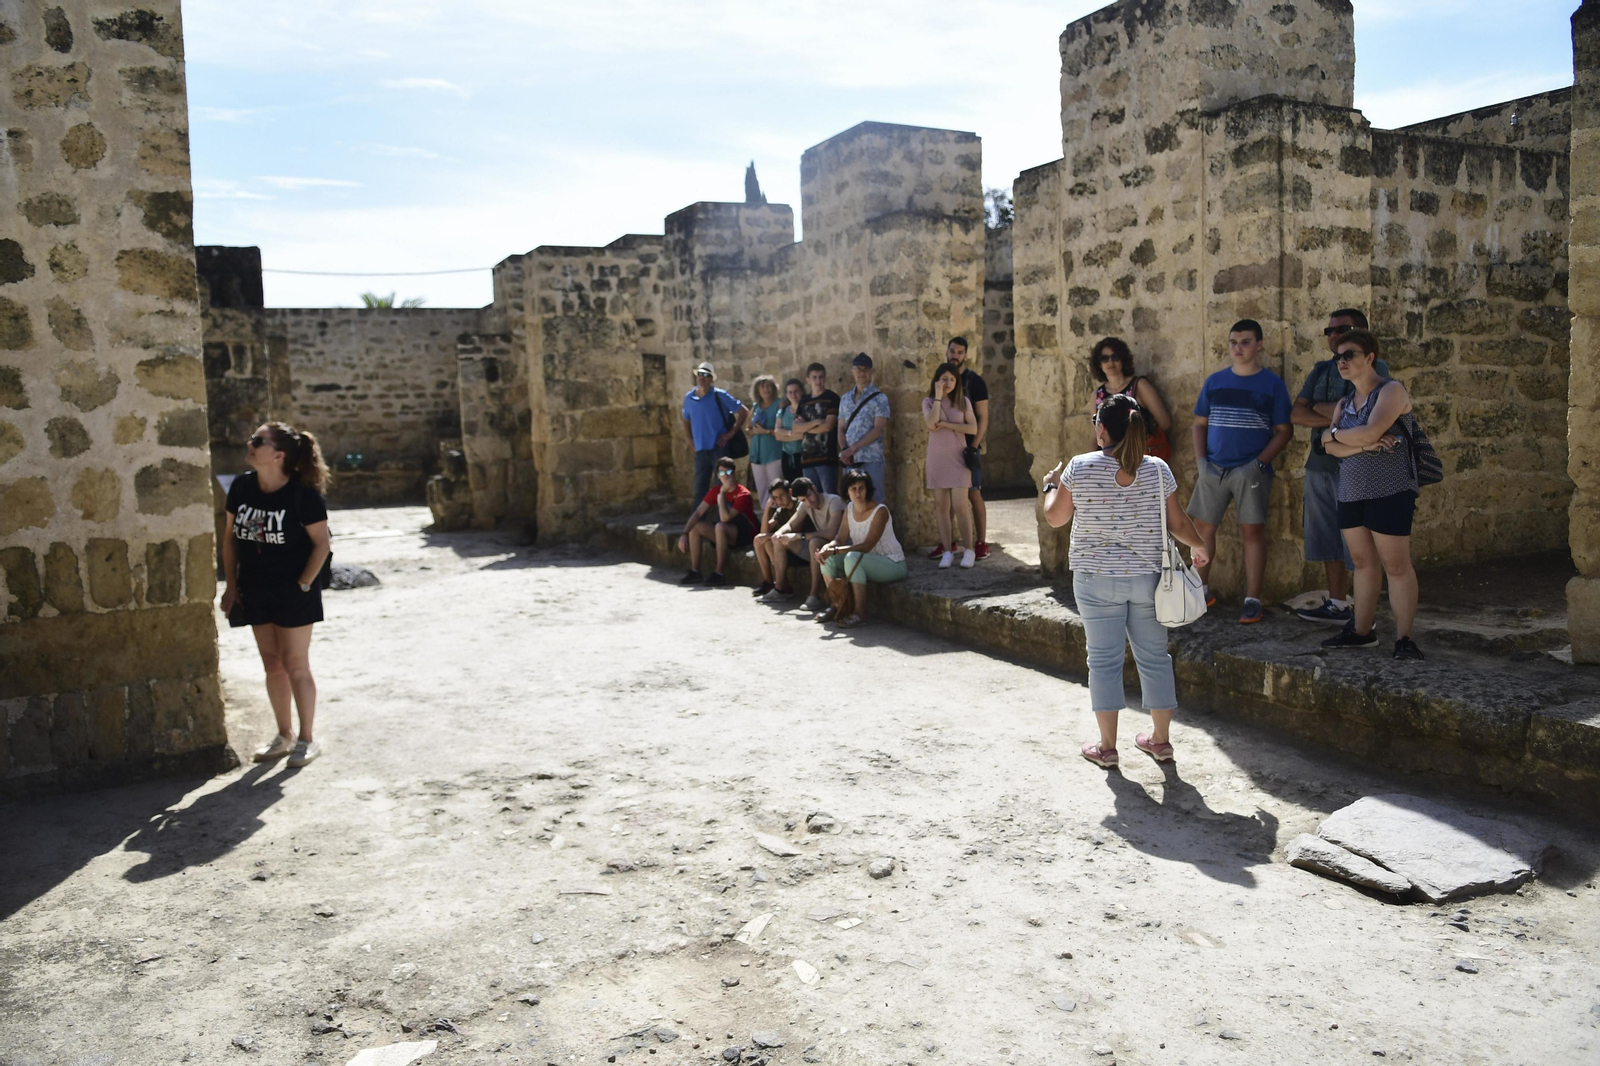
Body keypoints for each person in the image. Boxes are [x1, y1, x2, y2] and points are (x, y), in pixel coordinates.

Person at [1040, 394, 1211, 769]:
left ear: (1102, 428)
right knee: (1154, 658)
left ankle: (1107, 747)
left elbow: (1055, 518)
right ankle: (1161, 741)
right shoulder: (1157, 469)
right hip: (1148, 579)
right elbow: (1179, 523)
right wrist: (1200, 548)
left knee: (1103, 661)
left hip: (1095, 579)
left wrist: (1050, 486)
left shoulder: (1079, 467)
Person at [221, 421, 334, 769]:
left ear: (278, 454)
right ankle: (283, 735)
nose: (249, 444)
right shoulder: (241, 487)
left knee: (295, 665)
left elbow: (322, 545)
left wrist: (303, 584)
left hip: (294, 591)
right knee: (272, 665)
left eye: (258, 440)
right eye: (251, 438)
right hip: (255, 588)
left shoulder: (303, 496)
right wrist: (230, 585)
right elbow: (229, 539)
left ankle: (306, 739)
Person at [1317, 330, 1424, 660]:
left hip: (1390, 489)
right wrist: (1359, 444)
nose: (1342, 361)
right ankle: (1361, 632)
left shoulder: (1391, 391)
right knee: (1362, 563)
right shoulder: (1344, 403)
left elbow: (1371, 430)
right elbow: (1327, 446)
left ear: (1369, 358)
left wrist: (1338, 435)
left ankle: (1404, 638)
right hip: (1351, 491)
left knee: (1396, 565)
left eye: (1349, 354)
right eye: (1338, 357)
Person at [1186, 319, 1293, 624]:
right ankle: (1199, 591)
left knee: (1252, 532)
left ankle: (1252, 599)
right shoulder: (1215, 381)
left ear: (1259, 345)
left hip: (1250, 469)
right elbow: (1200, 424)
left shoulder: (1272, 384)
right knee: (1201, 530)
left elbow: (1284, 430)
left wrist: (1259, 463)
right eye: (1234, 342)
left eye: (1245, 342)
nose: (1238, 348)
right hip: (1213, 468)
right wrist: (1201, 462)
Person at [1291, 309, 1390, 625]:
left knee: (1361, 545)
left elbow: (1364, 413)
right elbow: (1295, 414)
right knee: (1327, 538)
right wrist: (1339, 412)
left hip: (1358, 467)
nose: (1333, 336)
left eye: (1341, 329)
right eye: (1329, 331)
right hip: (1319, 466)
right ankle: (1337, 603)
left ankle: (1364, 614)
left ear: (1361, 331)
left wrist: (1324, 412)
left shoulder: (1377, 367)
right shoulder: (1321, 370)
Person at [816, 468, 907, 627]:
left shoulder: (880, 511)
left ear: (867, 490)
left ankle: (860, 613)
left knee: (852, 557)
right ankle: (837, 606)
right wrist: (827, 548)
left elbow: (867, 546)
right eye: (853, 489)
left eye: (861, 488)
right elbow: (839, 539)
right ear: (847, 492)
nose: (858, 493)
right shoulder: (849, 509)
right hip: (865, 561)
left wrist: (836, 550)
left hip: (892, 564)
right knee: (828, 558)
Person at [942, 336, 995, 560]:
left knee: (973, 494)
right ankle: (950, 544)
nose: (955, 355)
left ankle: (981, 543)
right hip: (946, 447)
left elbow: (983, 418)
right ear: (947, 352)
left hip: (967, 447)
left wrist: (973, 446)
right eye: (952, 351)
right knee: (947, 497)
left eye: (960, 352)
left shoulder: (975, 382)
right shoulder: (942, 378)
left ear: (966, 355)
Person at [921, 361, 977, 568]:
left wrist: (947, 425)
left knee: (961, 505)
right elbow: (930, 422)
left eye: (953, 379)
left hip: (958, 459)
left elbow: (972, 428)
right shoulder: (928, 401)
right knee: (941, 507)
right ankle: (947, 551)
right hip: (937, 460)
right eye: (944, 378)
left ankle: (969, 549)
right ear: (937, 380)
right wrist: (938, 397)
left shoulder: (963, 401)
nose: (949, 382)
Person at [765, 476, 846, 609]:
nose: (808, 502)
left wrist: (798, 536)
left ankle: (813, 596)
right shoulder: (804, 505)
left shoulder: (834, 501)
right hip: (819, 550)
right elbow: (791, 524)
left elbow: (831, 533)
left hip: (838, 549)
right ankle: (780, 589)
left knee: (814, 542)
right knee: (780, 540)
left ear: (814, 488)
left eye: (809, 496)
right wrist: (779, 533)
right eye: (803, 500)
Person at [677, 456, 757, 587]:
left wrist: (722, 495)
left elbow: (725, 518)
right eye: (721, 473)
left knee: (720, 526)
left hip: (745, 534)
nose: (725, 476)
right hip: (726, 531)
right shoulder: (715, 491)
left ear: (734, 473)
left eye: (728, 472)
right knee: (696, 526)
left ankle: (719, 573)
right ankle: (695, 571)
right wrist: (684, 534)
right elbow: (698, 513)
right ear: (718, 476)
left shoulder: (743, 494)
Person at [1089, 336, 1173, 460]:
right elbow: (1095, 435)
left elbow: (1165, 423)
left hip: (1138, 459)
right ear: (1099, 363)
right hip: (1109, 462)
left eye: (1115, 357)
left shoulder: (1140, 386)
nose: (1110, 362)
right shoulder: (1097, 395)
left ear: (1123, 359)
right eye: (1105, 358)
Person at [680, 361, 748, 505]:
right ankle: (698, 524)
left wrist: (731, 433)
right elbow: (686, 419)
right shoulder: (689, 398)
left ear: (711, 379)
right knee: (699, 488)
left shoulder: (719, 395)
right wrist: (689, 438)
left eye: (706, 375)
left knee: (722, 488)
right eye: (700, 374)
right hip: (700, 449)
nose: (702, 378)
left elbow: (743, 412)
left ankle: (722, 521)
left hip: (719, 448)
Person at [837, 353, 891, 503]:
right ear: (852, 371)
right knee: (851, 503)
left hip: (871, 459)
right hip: (850, 461)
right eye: (858, 369)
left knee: (875, 500)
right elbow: (841, 428)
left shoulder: (880, 398)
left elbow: (878, 429)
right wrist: (845, 451)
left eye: (865, 369)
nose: (862, 372)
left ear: (871, 371)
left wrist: (852, 449)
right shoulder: (845, 399)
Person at [792, 362, 840, 495]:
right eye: (814, 377)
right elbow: (795, 428)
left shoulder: (832, 398)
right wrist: (816, 422)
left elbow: (827, 426)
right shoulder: (804, 401)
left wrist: (806, 427)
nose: (818, 381)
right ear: (808, 379)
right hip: (807, 458)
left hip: (827, 458)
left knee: (830, 498)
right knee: (812, 498)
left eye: (821, 377)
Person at [750, 478, 798, 597]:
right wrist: (767, 509)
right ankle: (769, 581)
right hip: (783, 547)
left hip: (798, 547)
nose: (779, 500)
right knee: (759, 540)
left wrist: (772, 536)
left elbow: (795, 529)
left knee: (769, 540)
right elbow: (763, 532)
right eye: (775, 497)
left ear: (790, 492)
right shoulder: (780, 510)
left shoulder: (799, 506)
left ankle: (782, 585)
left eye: (781, 495)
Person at [746, 374, 786, 508]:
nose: (765, 390)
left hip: (774, 452)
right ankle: (766, 519)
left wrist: (765, 431)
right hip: (757, 454)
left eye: (768, 386)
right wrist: (752, 431)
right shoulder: (756, 407)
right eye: (762, 387)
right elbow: (748, 429)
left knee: (777, 487)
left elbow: (784, 429)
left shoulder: (780, 404)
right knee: (762, 490)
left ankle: (780, 517)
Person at [774, 378, 808, 482]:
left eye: (796, 391)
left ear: (802, 392)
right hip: (787, 456)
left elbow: (805, 435)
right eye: (790, 392)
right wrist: (792, 434)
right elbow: (777, 433)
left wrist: (786, 436)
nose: (793, 395)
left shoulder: (807, 410)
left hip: (803, 454)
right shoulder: (783, 411)